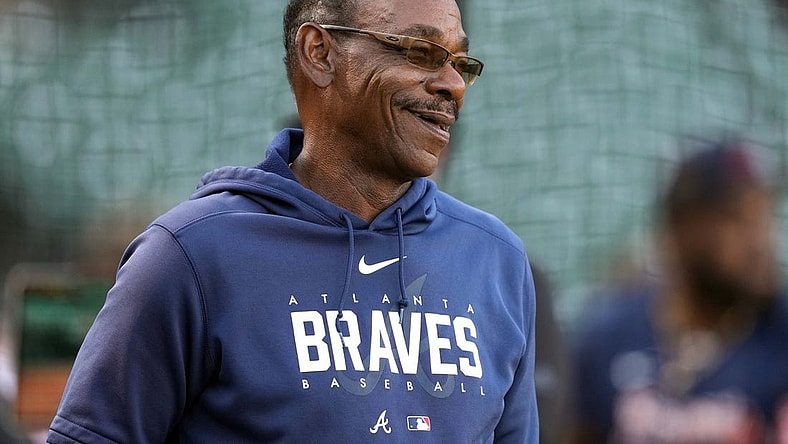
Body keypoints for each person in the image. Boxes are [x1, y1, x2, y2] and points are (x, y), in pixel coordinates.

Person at [46, 0, 539, 442]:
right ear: (319, 52)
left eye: (461, 63)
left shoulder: (496, 260)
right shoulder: (190, 255)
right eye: (421, 51)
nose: (452, 84)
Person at [567, 138, 788, 443]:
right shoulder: (608, 338)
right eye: (738, 220)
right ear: (680, 227)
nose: (759, 240)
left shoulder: (778, 334)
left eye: (765, 217)